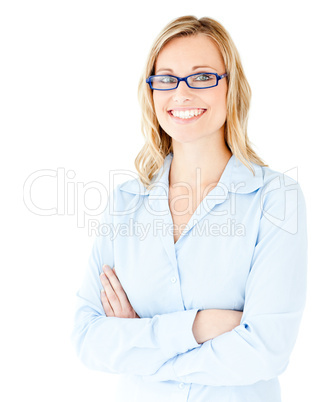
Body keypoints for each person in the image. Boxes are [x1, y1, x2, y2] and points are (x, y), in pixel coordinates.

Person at [71, 15, 308, 402]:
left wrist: (141, 347)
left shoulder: (276, 198)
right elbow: (87, 339)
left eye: (202, 77)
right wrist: (197, 328)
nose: (181, 93)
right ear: (151, 93)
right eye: (165, 78)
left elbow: (265, 351)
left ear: (231, 88)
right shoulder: (126, 202)